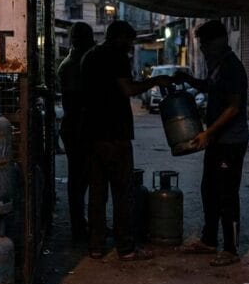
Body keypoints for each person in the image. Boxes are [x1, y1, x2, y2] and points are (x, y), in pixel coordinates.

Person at [81, 20, 171, 261]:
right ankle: (126, 248)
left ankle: (96, 246)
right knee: (123, 193)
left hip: (92, 134)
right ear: (119, 38)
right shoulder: (117, 57)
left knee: (97, 194)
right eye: (129, 41)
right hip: (115, 135)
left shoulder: (89, 57)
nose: (131, 46)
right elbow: (128, 89)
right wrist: (155, 81)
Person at [174, 20, 249, 266]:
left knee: (227, 194)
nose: (203, 48)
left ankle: (231, 249)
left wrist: (209, 133)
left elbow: (234, 107)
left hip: (231, 141)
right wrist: (189, 80)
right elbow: (210, 88)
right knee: (209, 190)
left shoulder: (232, 67)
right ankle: (208, 240)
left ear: (219, 40)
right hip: (217, 141)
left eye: (206, 43)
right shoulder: (216, 66)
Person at [57, 22, 96, 242]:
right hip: (78, 129)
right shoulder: (74, 65)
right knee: (79, 182)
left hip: (76, 128)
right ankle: (79, 228)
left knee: (81, 180)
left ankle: (82, 225)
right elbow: (77, 102)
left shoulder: (73, 63)